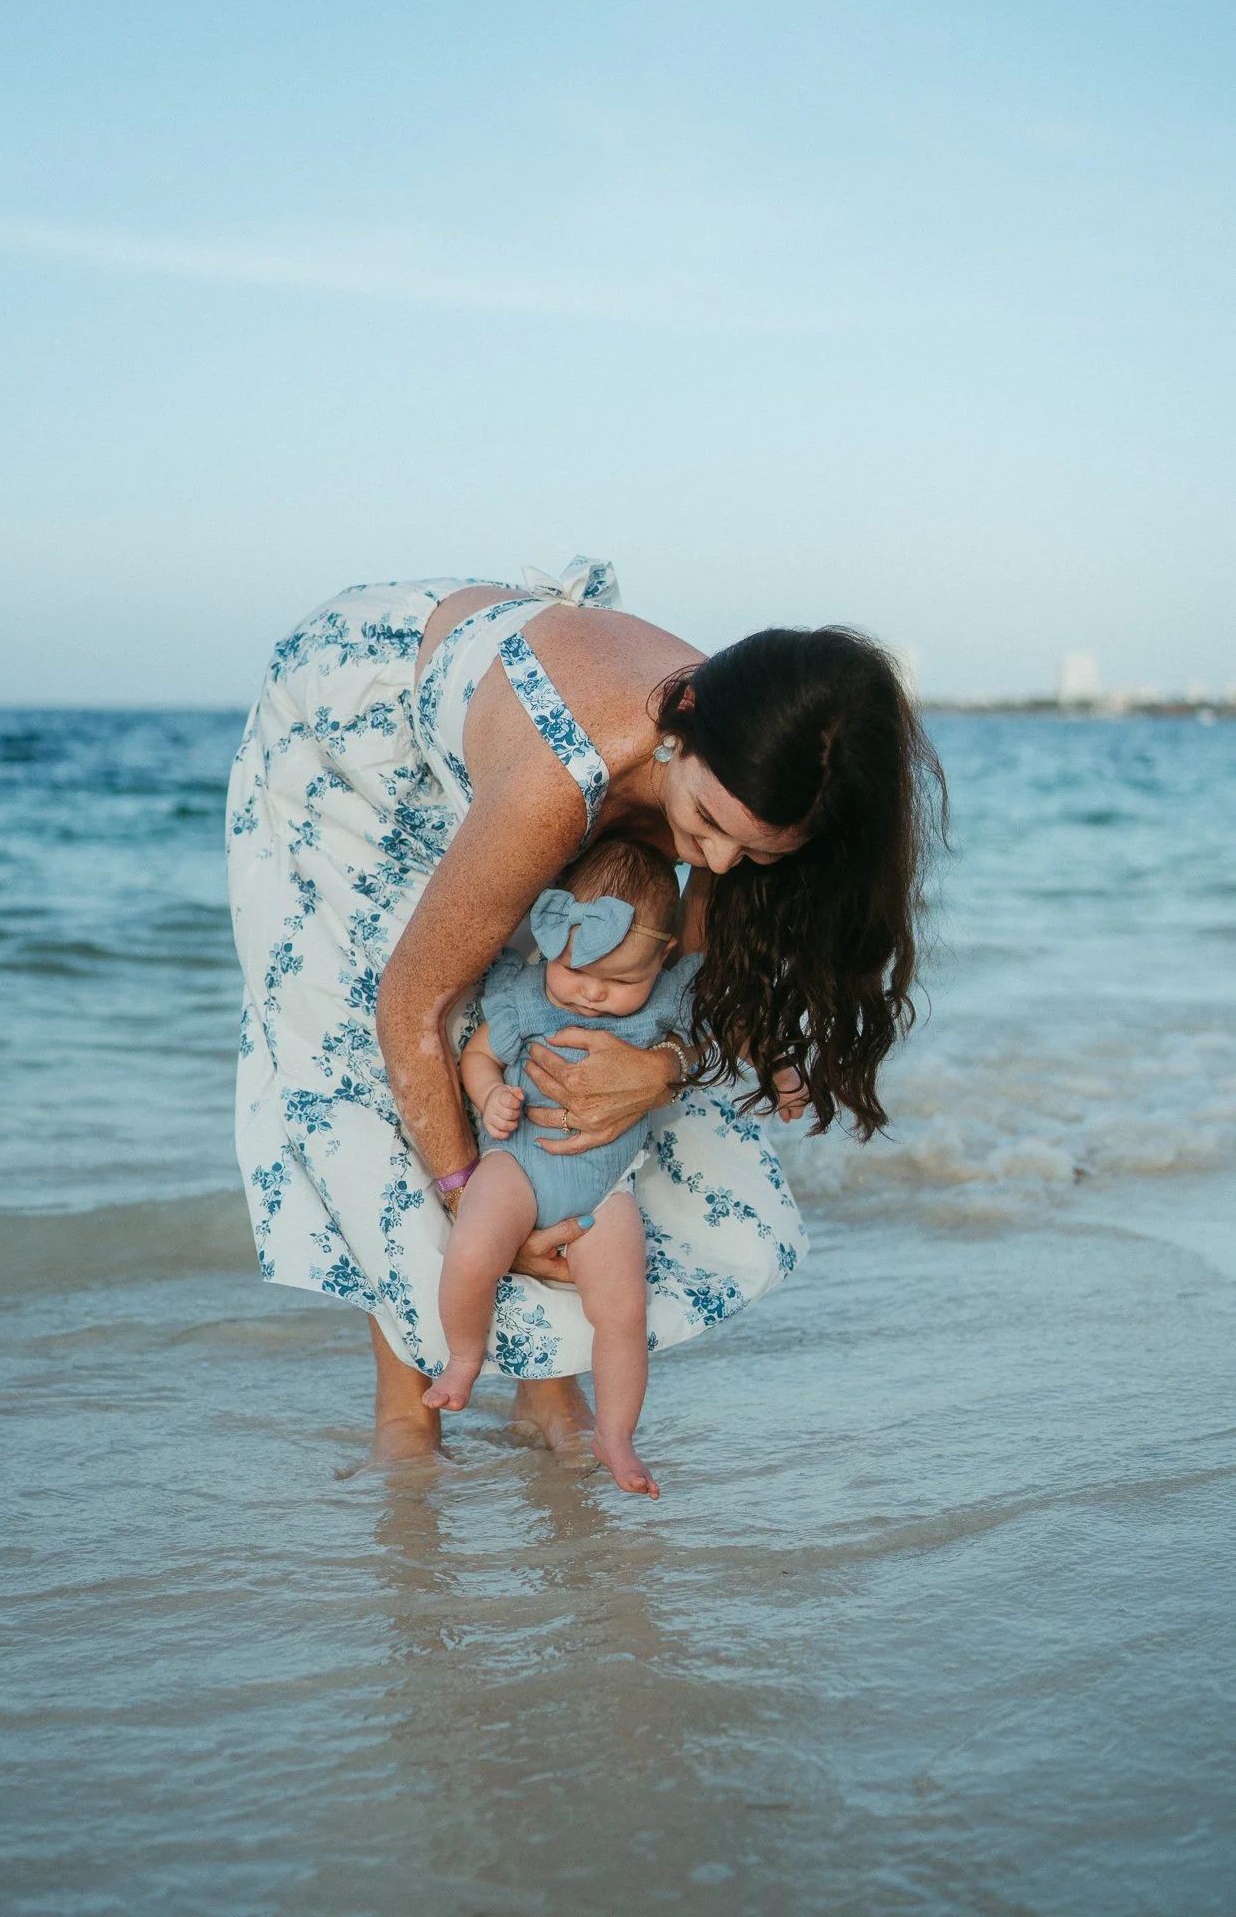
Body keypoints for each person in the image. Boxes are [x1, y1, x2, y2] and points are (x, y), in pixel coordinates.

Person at [226, 560, 944, 1467]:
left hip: (541, 730)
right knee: (424, 1048)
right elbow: (411, 1005)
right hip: (354, 724)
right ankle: (406, 1411)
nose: (717, 867)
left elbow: (682, 990)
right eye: (709, 828)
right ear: (680, 732)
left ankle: (546, 1387)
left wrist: (666, 1067)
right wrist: (472, 1200)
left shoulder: (759, 769)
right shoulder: (556, 785)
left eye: (753, 854)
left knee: (582, 1002)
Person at [421, 837, 701, 1497]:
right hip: (517, 1164)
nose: (594, 994)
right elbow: (479, 1057)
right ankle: (463, 1359)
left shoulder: (661, 1010)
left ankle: (615, 1434)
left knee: (624, 1307)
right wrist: (490, 1095)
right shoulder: (528, 999)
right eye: (575, 971)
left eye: (621, 980)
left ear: (661, 960)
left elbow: (700, 1047)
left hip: (605, 1190)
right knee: (472, 1250)